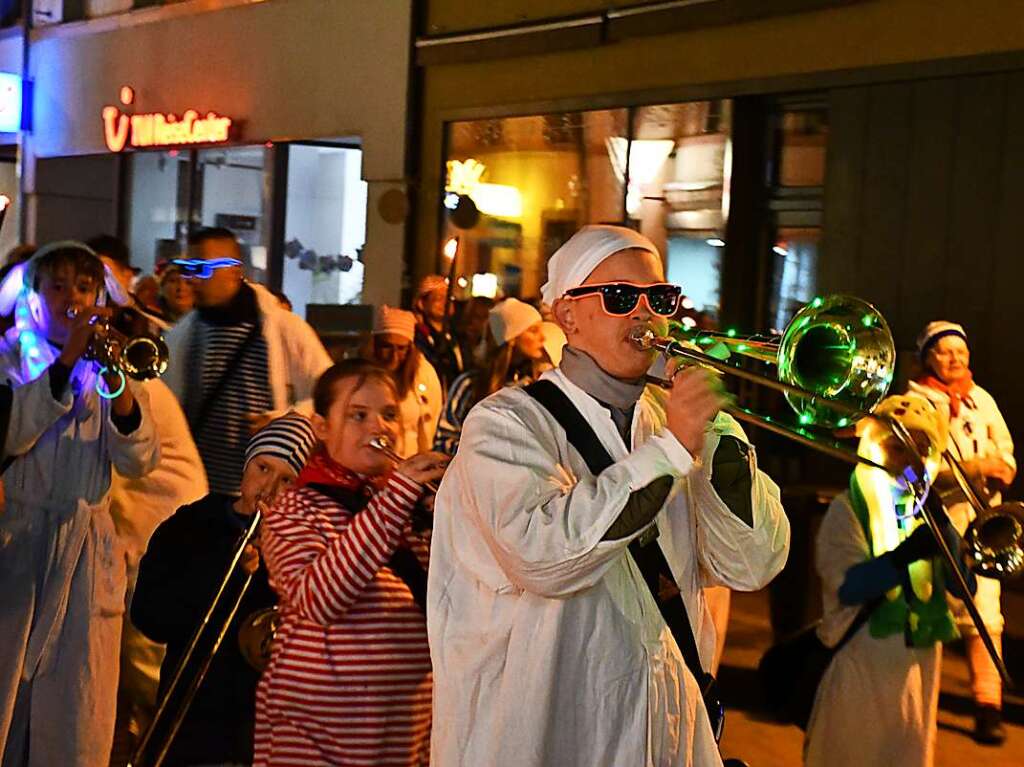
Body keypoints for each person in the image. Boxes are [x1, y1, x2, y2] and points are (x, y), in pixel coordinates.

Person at [427, 225, 790, 766]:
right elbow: (546, 558)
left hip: (667, 728)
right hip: (547, 731)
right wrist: (673, 448)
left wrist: (718, 436)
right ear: (566, 315)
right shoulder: (505, 423)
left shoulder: (674, 424)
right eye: (620, 298)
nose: (644, 313)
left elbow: (753, 564)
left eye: (659, 298)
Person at [0, 242, 160, 767]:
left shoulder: (109, 365)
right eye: (58, 286)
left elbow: (141, 460)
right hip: (19, 544)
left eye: (85, 288)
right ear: (34, 296)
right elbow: (14, 432)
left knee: (75, 709)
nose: (73, 299)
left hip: (85, 554)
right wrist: (68, 358)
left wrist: (120, 384)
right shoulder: (8, 359)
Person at [254, 360, 448, 766]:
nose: (379, 428)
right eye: (358, 415)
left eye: (389, 415)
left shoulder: (402, 508)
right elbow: (321, 599)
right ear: (322, 427)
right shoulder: (294, 507)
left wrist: (450, 518)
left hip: (402, 730)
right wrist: (399, 496)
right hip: (319, 734)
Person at [132, 413, 317, 767]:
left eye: (287, 480)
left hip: (259, 727)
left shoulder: (303, 549)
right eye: (263, 468)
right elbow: (148, 615)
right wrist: (224, 571)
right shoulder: (189, 526)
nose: (268, 488)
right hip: (190, 715)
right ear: (247, 463)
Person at [805, 393, 976, 767]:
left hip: (917, 678)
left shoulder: (927, 512)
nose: (909, 461)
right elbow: (848, 587)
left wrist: (944, 530)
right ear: (875, 447)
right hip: (859, 669)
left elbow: (966, 590)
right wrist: (906, 555)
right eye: (898, 448)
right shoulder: (847, 509)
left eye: (920, 449)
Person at [92, 239, 209, 763]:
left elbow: (126, 464)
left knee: (147, 672)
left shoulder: (123, 376)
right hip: (152, 533)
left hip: (158, 538)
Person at [163, 227, 332, 498]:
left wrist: (285, 422)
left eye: (202, 268)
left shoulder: (283, 329)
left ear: (233, 271)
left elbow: (330, 395)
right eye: (189, 268)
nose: (192, 279)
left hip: (264, 495)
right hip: (199, 493)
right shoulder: (183, 335)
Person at [908, 320, 1014, 744]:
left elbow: (1003, 444)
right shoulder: (914, 401)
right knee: (929, 614)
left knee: (987, 617)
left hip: (981, 523)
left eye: (961, 351)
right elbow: (912, 470)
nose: (955, 359)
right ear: (928, 357)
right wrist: (972, 470)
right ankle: (920, 706)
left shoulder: (981, 398)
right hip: (933, 522)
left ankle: (988, 707)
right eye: (945, 351)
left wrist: (1003, 465)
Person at [434, 298, 551, 456]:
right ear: (511, 338)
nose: (542, 337)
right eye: (533, 330)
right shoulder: (470, 385)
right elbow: (444, 438)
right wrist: (487, 455)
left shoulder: (534, 386)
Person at [365, 305, 443, 457]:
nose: (394, 356)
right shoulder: (360, 377)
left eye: (401, 348)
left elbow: (432, 422)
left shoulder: (424, 374)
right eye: (387, 347)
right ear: (375, 345)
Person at [413, 274, 462, 390]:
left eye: (448, 298)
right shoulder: (418, 337)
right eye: (438, 299)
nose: (445, 304)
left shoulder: (457, 337)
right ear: (422, 303)